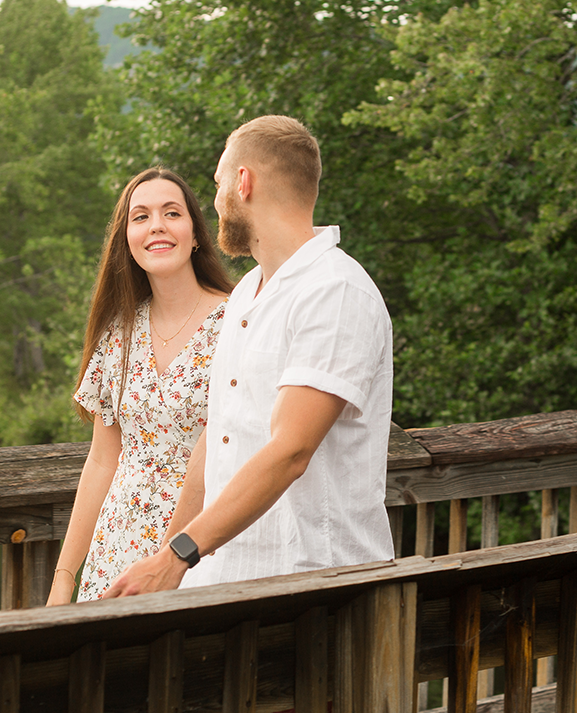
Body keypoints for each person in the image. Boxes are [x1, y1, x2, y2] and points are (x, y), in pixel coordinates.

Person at [104, 115, 394, 597]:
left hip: (313, 583)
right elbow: (217, 438)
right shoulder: (245, 296)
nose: (215, 202)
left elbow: (290, 451)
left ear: (243, 182)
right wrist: (168, 558)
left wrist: (178, 555)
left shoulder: (335, 291)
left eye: (218, 184)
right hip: (224, 581)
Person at [47, 167, 235, 604]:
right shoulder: (119, 333)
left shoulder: (239, 320)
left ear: (195, 235)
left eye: (172, 213)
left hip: (200, 551)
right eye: (140, 216)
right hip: (115, 555)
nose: (157, 226)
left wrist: (174, 557)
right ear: (127, 241)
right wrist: (63, 578)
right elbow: (100, 462)